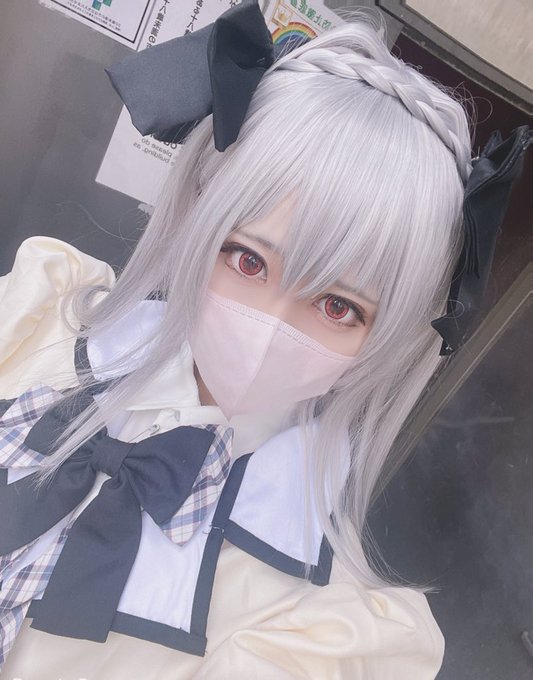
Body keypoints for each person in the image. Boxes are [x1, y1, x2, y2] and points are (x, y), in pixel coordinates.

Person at [0, 2, 529, 678]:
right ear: (199, 217)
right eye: (248, 260)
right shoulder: (35, 318)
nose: (267, 326)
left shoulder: (321, 630)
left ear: (388, 334)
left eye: (337, 306)